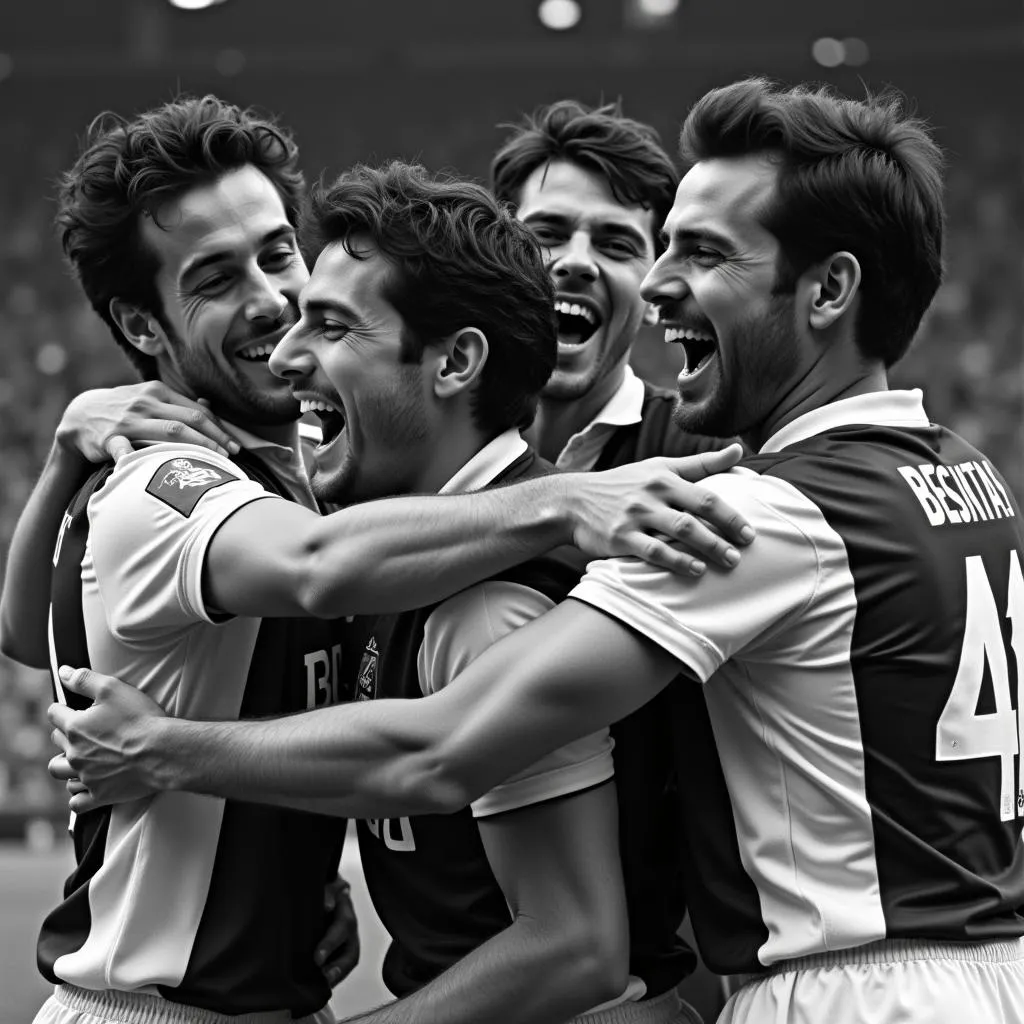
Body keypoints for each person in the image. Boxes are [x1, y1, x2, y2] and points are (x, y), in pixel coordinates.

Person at [50, 78, 1024, 1023]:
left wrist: (169, 751)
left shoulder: (747, 513)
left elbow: (437, 749)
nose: (659, 285)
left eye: (703, 252)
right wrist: (68, 457)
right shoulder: (965, 477)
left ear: (828, 290)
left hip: (848, 988)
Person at [2, 94, 751, 1024]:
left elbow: (568, 933)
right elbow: (313, 567)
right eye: (214, 278)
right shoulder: (178, 487)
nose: (278, 321)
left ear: (454, 361)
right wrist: (68, 448)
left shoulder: (436, 556)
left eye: (283, 261)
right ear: (143, 326)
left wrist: (188, 767)